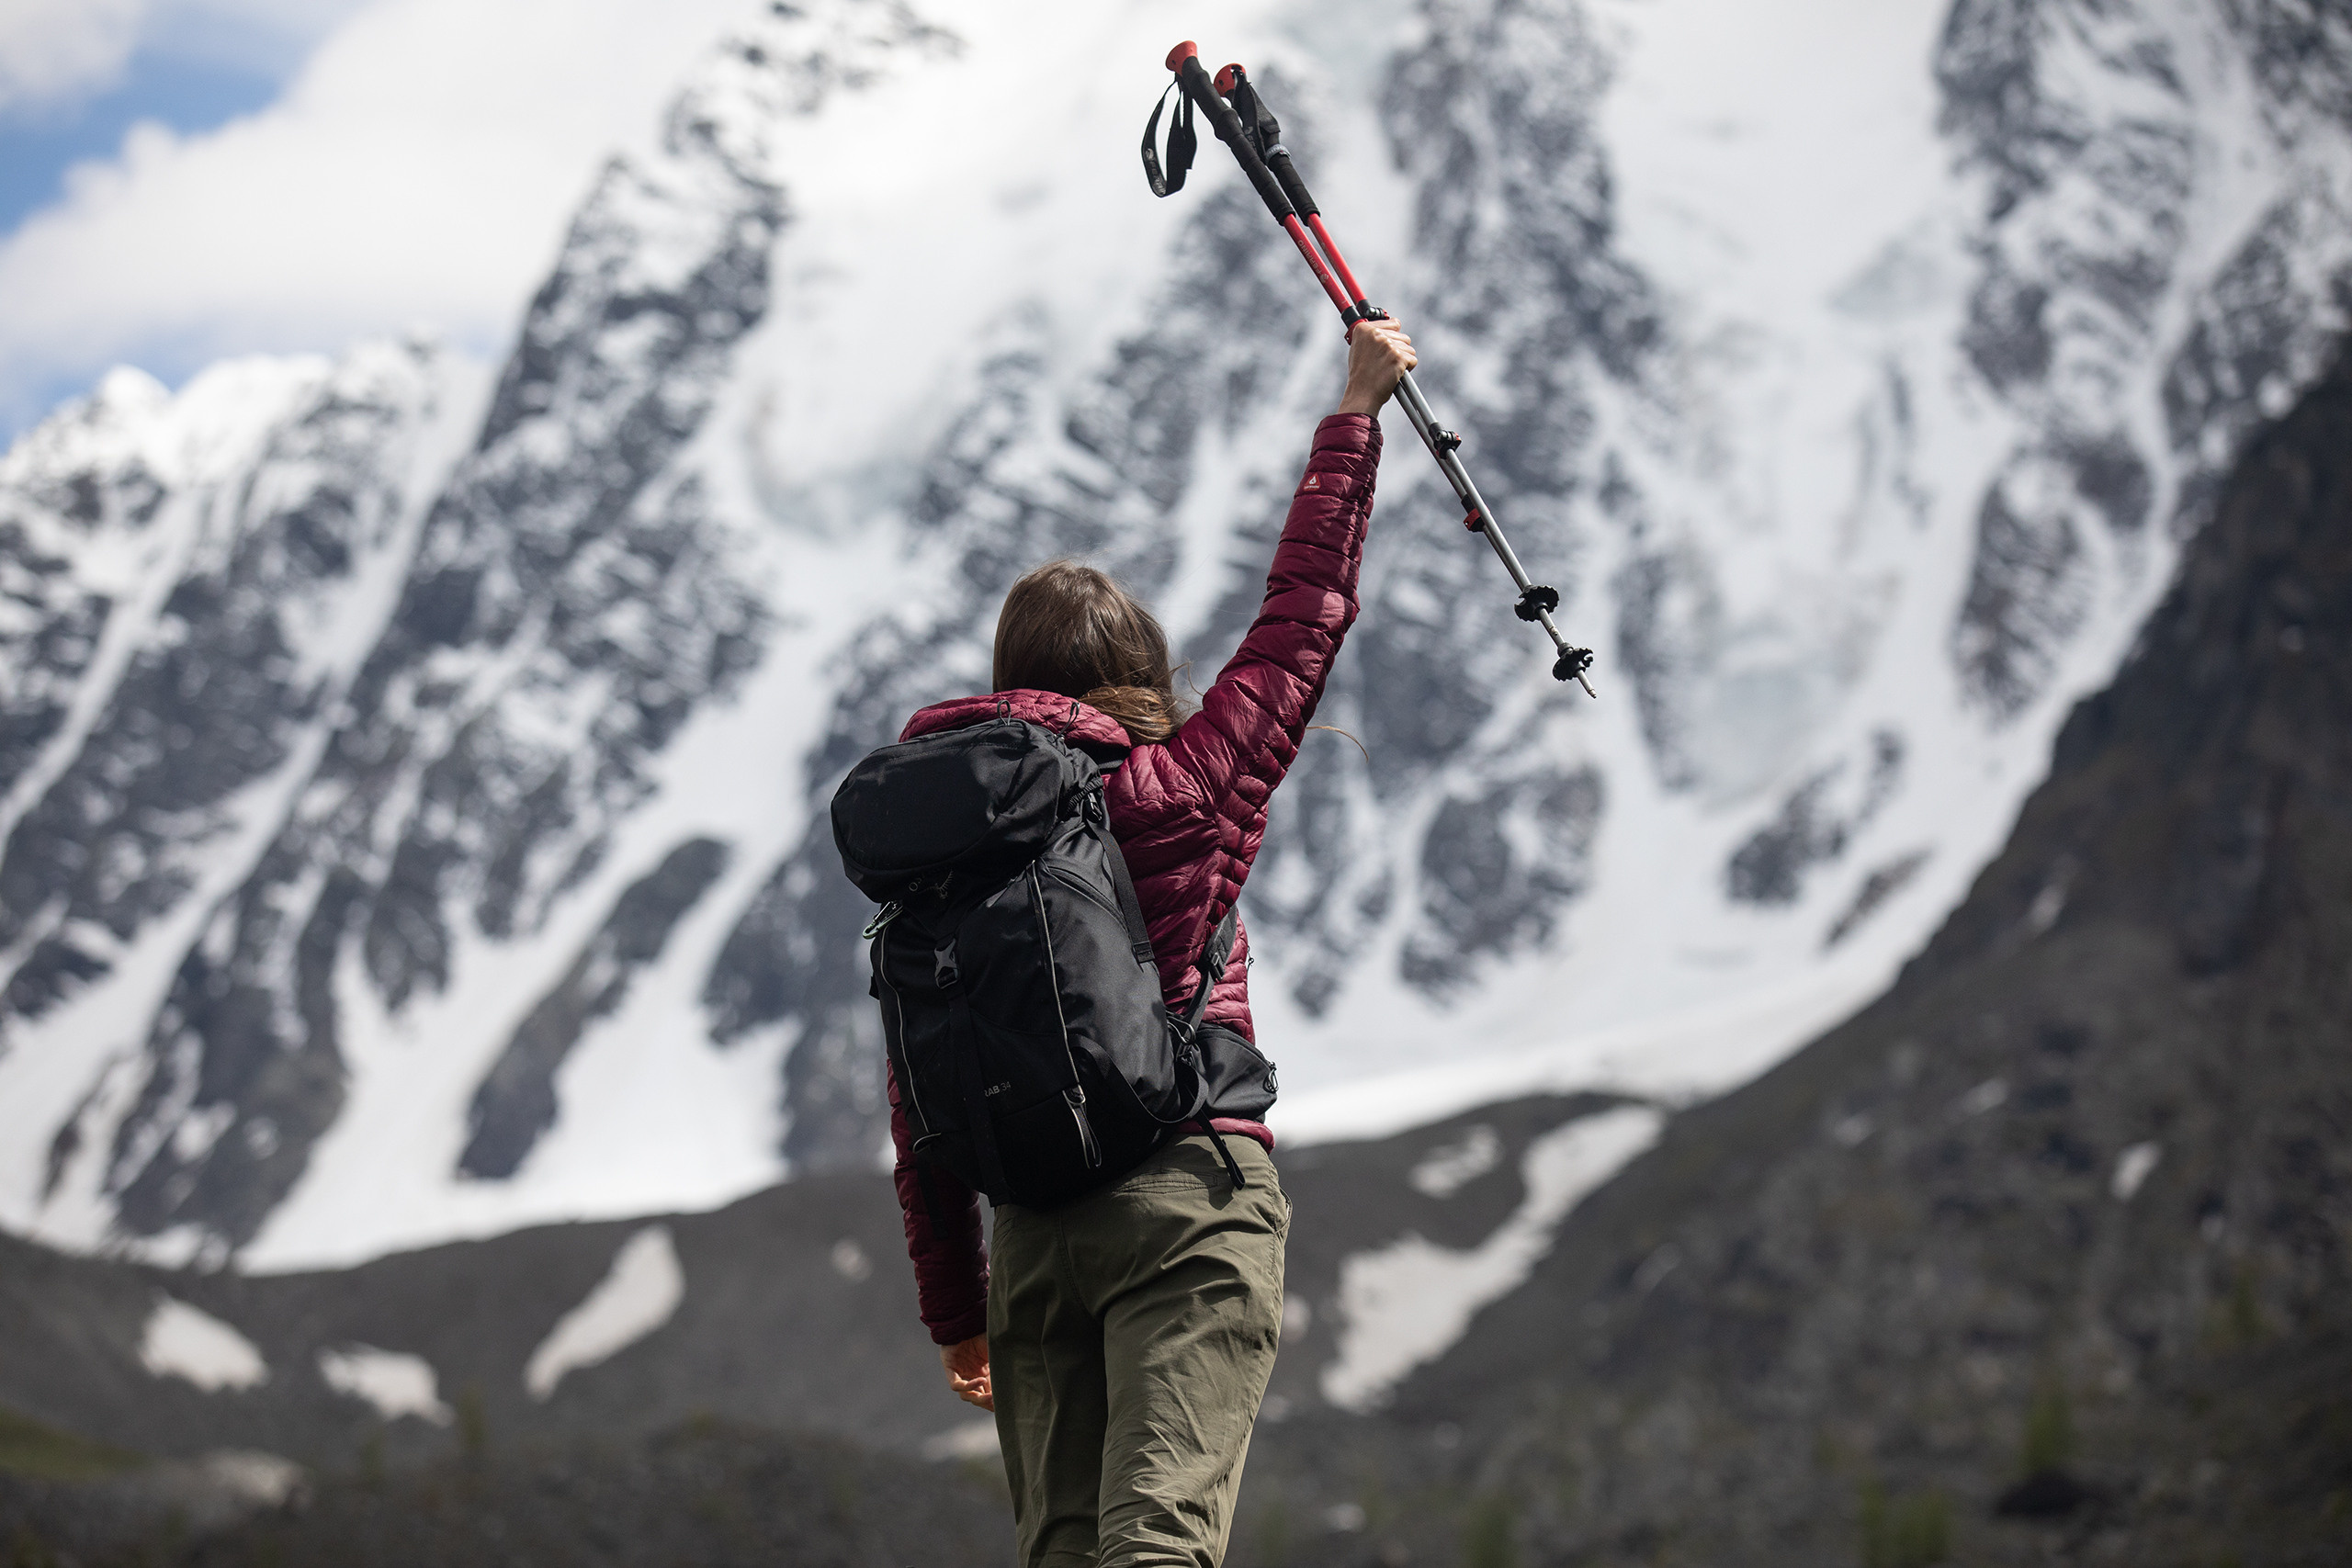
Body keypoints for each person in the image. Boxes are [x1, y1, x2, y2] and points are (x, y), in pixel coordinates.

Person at [883, 317, 1416, 1566]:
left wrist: (959, 1312)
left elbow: (921, 1106)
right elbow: (1303, 621)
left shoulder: (940, 864)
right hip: (1185, 1201)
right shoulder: (1184, 788)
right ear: (1136, 673)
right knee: (1159, 1546)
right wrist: (1354, 418)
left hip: (1032, 1242)